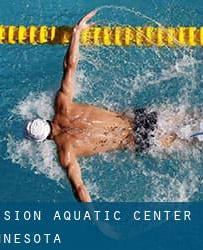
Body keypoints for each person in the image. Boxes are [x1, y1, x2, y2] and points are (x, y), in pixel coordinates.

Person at [25, 11, 177, 202]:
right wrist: (76, 33)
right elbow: (70, 66)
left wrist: (97, 222)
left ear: (43, 140)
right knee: (193, 118)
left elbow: (79, 189)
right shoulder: (62, 105)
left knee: (194, 141)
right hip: (139, 118)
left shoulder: (66, 152)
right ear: (43, 119)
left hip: (138, 140)